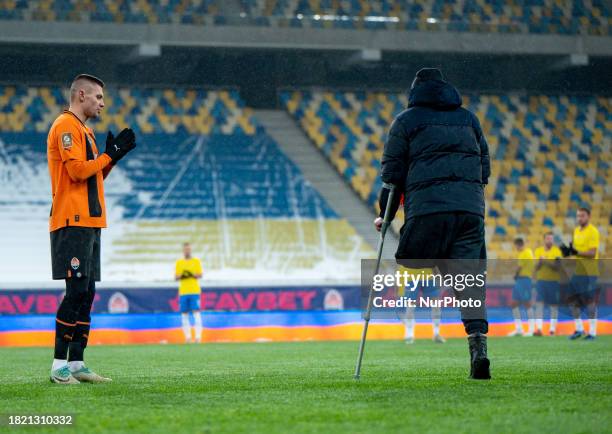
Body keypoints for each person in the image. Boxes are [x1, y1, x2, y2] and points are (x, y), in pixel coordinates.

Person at [375, 67, 491, 379]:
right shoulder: (469, 119)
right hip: (469, 211)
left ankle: (445, 272)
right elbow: (485, 168)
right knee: (469, 285)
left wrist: (384, 215)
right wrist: (469, 198)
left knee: (414, 259)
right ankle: (478, 346)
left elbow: (392, 176)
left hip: (427, 211)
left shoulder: (406, 121)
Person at [48, 74, 136, 384]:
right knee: (75, 292)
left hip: (91, 221)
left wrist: (113, 159)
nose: (102, 103)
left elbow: (93, 177)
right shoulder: (65, 126)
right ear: (81, 95)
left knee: (87, 292)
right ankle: (58, 365)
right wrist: (107, 156)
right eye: (98, 97)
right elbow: (75, 172)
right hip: (72, 220)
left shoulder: (86, 130)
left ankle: (76, 364)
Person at [562, 207, 600, 340]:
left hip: (589, 272)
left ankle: (593, 332)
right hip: (578, 271)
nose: (579, 218)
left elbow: (592, 253)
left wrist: (575, 252)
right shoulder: (576, 231)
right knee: (572, 300)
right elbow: (575, 251)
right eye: (578, 216)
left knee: (589, 302)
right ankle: (579, 329)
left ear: (588, 216)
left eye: (582, 216)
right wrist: (568, 253)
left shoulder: (593, 231)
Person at [398, 266, 445, 344]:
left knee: (436, 304)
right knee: (410, 306)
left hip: (429, 276)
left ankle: (436, 333)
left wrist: (438, 276)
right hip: (411, 276)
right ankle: (409, 335)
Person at [533, 232, 562, 336]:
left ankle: (552, 329)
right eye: (548, 239)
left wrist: (546, 261)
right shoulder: (538, 251)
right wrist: (540, 262)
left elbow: (558, 267)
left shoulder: (557, 251)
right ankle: (539, 329)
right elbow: (536, 267)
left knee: (553, 305)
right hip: (541, 281)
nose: (550, 241)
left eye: (551, 239)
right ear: (544, 240)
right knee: (539, 304)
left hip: (553, 281)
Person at [175, 242, 204, 343]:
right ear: (183, 251)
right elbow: (176, 277)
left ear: (190, 250)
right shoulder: (179, 262)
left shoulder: (196, 261)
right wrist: (183, 275)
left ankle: (198, 337)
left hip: (194, 291)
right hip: (183, 291)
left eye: (188, 249)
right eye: (185, 249)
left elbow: (200, 274)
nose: (187, 251)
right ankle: (187, 337)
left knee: (196, 313)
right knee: (184, 314)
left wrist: (191, 274)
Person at [507, 238, 535, 337]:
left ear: (518, 245)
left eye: (516, 246)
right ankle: (519, 329)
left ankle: (531, 330)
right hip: (520, 281)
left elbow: (519, 268)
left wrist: (515, 275)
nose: (516, 248)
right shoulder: (523, 253)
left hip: (525, 280)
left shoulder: (526, 253)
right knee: (514, 303)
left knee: (527, 303)